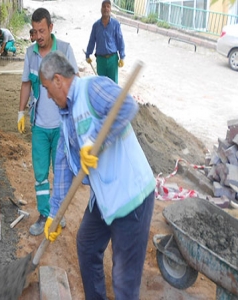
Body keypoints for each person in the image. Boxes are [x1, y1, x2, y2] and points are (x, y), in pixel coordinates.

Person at [40, 51, 155, 300]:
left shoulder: (92, 88)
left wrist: (95, 141)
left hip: (130, 197)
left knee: (124, 280)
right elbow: (61, 167)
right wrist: (53, 215)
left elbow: (126, 106)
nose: (48, 95)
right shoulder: (66, 118)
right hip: (104, 200)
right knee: (87, 245)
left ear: (58, 80)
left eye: (48, 89)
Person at [18, 8, 79, 236]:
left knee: (61, 174)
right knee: (41, 174)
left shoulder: (64, 50)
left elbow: (75, 84)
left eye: (42, 30)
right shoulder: (30, 53)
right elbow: (26, 83)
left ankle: (57, 215)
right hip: (40, 127)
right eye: (35, 31)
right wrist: (20, 112)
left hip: (62, 127)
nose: (39, 35)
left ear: (51, 28)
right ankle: (44, 214)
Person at [85, 0, 125, 83]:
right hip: (100, 60)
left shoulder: (116, 24)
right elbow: (92, 41)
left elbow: (120, 41)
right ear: (101, 9)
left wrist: (122, 57)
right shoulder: (96, 25)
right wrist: (88, 54)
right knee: (101, 84)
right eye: (104, 6)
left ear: (110, 9)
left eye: (108, 6)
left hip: (112, 60)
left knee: (113, 85)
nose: (106, 9)